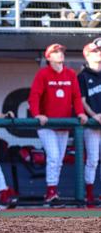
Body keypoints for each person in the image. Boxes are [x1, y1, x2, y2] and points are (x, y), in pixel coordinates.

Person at [28, 43, 88, 206]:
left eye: (61, 51)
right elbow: (34, 96)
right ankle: (51, 192)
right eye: (56, 52)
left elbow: (76, 97)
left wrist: (80, 112)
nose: (60, 54)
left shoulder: (70, 74)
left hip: (64, 125)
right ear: (49, 57)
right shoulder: (43, 74)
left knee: (59, 160)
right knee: (54, 157)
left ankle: (52, 191)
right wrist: (37, 114)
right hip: (46, 125)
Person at [78, 40, 101, 207]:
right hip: (92, 124)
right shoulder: (82, 75)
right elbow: (82, 101)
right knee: (92, 159)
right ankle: (89, 194)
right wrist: (94, 115)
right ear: (87, 55)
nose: (99, 53)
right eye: (95, 51)